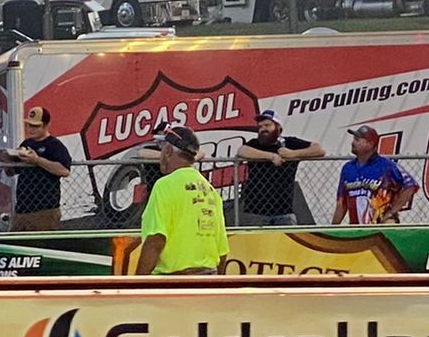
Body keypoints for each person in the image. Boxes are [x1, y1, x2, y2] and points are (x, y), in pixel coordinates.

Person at [136, 124, 227, 275]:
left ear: (168, 151)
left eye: (163, 149)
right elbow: (222, 250)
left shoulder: (164, 185)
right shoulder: (209, 190)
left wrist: (136, 285)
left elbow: (156, 240)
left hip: (174, 280)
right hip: (209, 276)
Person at [237, 110, 326, 227]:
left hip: (284, 212)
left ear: (278, 127)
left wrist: (293, 154)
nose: (263, 129)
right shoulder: (254, 144)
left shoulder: (289, 143)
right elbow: (241, 151)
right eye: (260, 126)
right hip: (255, 211)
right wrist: (270, 156)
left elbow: (319, 150)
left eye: (267, 125)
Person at [0, 104, 72, 232]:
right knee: (17, 245)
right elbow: (12, 172)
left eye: (35, 126)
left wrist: (37, 160)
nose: (30, 129)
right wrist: (8, 161)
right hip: (22, 208)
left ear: (45, 125)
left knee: (40, 246)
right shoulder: (27, 144)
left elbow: (64, 170)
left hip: (44, 209)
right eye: (28, 125)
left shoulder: (54, 145)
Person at [333, 124, 419, 225]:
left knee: (390, 225)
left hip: (381, 223)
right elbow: (341, 203)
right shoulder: (347, 168)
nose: (353, 143)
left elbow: (410, 186)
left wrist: (392, 212)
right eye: (353, 139)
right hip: (356, 226)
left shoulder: (386, 165)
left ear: (370, 144)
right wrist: (331, 230)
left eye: (357, 140)